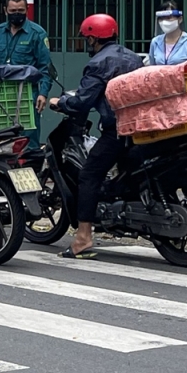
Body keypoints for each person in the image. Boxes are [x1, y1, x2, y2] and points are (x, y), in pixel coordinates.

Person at [49, 14, 142, 258]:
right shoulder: (133, 57)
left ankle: (82, 238)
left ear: (92, 38)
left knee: (90, 174)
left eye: (86, 39)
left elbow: (83, 102)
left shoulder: (98, 63)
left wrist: (62, 102)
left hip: (118, 130)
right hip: (142, 128)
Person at [0, 0, 53, 141]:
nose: (16, 14)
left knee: (28, 139)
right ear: (5, 10)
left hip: (28, 95)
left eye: (20, 11)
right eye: (12, 11)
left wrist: (43, 94)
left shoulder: (37, 33)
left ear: (27, 9)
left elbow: (45, 67)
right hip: (1, 95)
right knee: (0, 140)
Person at [147, 1, 187, 65]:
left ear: (180, 19)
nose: (164, 21)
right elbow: (152, 68)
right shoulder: (155, 42)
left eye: (169, 18)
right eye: (161, 18)